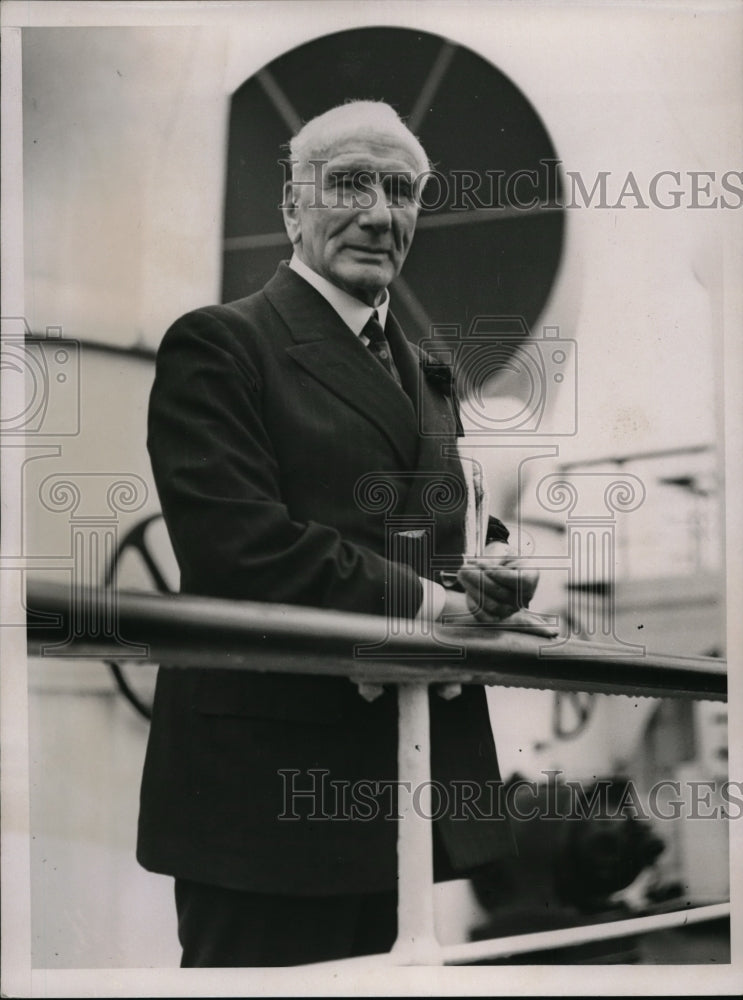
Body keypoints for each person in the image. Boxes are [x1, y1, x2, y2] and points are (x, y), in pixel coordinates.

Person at [137, 100, 553, 967]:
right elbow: (237, 542)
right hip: (269, 791)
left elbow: (449, 520)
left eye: (399, 190)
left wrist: (493, 569)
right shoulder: (221, 344)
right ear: (291, 207)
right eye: (349, 184)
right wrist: (430, 606)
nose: (378, 211)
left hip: (402, 779)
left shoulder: (426, 371)